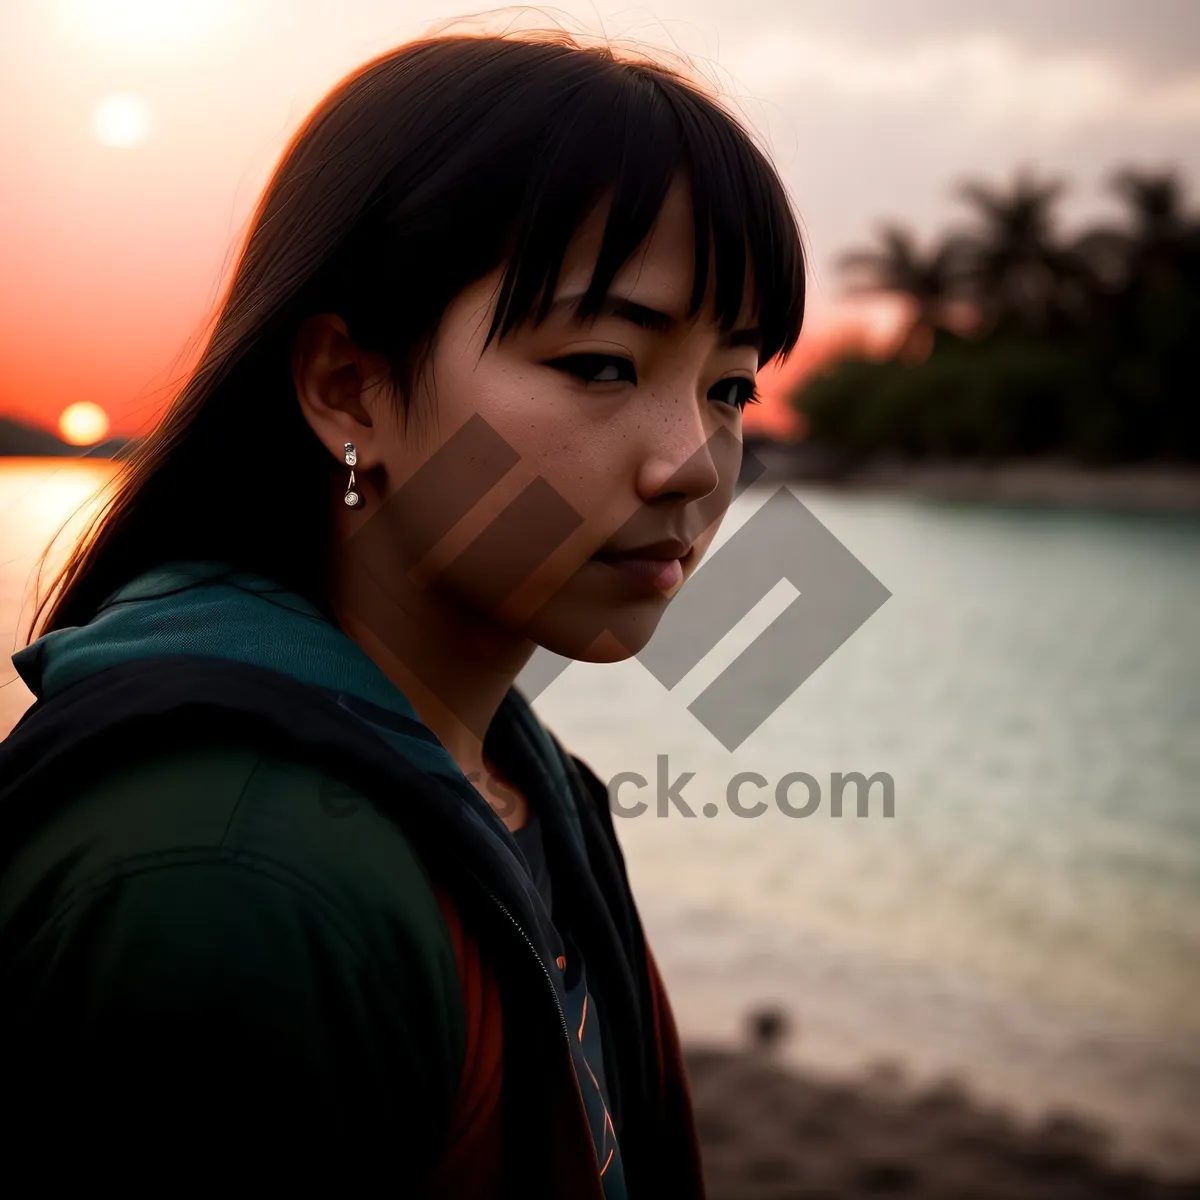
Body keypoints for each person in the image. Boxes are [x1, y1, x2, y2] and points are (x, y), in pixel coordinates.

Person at [0, 25, 805, 1196]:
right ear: (349, 388)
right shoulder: (232, 880)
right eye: (599, 364)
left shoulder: (520, 784)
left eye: (729, 386)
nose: (692, 461)